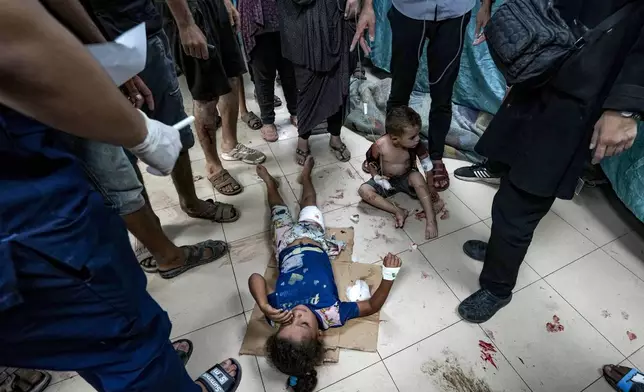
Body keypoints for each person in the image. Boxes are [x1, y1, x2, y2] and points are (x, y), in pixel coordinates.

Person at [0, 2, 243, 391]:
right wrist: (141, 133)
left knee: (87, 340)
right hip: (26, 212)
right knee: (120, 333)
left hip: (28, 181)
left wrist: (105, 55)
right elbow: (13, 43)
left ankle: (150, 361)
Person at [457, 0, 644, 323]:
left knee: (523, 198)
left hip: (581, 99)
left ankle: (497, 287)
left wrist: (624, 109)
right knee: (507, 170)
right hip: (548, 69)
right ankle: (499, 251)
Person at [44, 0, 236, 278]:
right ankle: (154, 239)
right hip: (75, 52)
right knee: (115, 154)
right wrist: (109, 56)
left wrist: (185, 22)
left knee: (173, 128)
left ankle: (189, 203)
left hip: (134, 30)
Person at [249, 157, 401, 392]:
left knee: (277, 208)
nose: (297, 314)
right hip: (315, 239)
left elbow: (255, 279)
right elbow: (371, 305)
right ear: (319, 334)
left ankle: (271, 184)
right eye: (303, 324)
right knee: (309, 201)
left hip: (285, 242)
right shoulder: (332, 314)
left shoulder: (275, 311)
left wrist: (263, 304)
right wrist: (389, 275)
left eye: (289, 321)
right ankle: (306, 177)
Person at [385, 0, 493, 192]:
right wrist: (367, 7)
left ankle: (436, 156)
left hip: (454, 11)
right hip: (409, 9)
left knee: (442, 91)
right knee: (401, 87)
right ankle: (393, 151)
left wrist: (485, 6)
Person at [163, 0, 267, 196]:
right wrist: (185, 24)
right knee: (206, 95)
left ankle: (230, 145)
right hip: (185, 9)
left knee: (232, 77)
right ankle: (213, 165)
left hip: (212, 4)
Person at [278, 0, 376, 165]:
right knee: (306, 86)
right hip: (304, 21)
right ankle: (303, 138)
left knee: (340, 81)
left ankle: (335, 137)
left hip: (339, 16)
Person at [358, 106, 443, 240]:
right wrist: (376, 177)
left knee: (416, 177)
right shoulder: (380, 145)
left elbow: (427, 166)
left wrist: (431, 187)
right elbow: (370, 162)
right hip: (386, 181)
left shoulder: (417, 145)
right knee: (363, 190)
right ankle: (398, 211)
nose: (417, 139)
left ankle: (431, 220)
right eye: (412, 137)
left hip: (406, 178)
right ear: (395, 139)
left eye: (418, 135)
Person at [238, 0, 298, 142]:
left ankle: (295, 112)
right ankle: (268, 121)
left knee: (290, 71)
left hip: (286, 13)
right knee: (263, 73)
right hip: (255, 13)